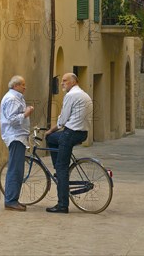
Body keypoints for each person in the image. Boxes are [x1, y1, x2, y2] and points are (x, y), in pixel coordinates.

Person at [45, 72, 92, 214]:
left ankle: (62, 205)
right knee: (52, 139)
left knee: (62, 168)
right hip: (82, 133)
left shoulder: (71, 96)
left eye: (65, 81)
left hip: (70, 133)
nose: (62, 83)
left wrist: (50, 130)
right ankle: (58, 169)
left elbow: (63, 120)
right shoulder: (84, 95)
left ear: (73, 82)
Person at [0, 75, 34, 212]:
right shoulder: (12, 99)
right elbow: (13, 120)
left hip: (18, 136)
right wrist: (26, 113)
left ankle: (12, 199)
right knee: (15, 169)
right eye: (22, 84)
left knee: (17, 168)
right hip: (15, 137)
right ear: (15, 86)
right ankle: (11, 200)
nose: (25, 87)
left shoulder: (15, 97)